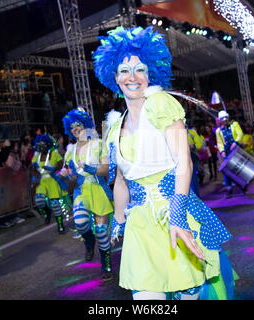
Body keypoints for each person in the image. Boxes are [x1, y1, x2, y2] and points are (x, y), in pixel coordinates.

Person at [94, 26, 236, 300]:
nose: (132, 77)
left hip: (174, 210)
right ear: (113, 76)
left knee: (188, 292)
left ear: (151, 73)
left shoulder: (160, 103)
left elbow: (185, 163)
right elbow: (121, 182)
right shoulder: (113, 127)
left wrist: (179, 214)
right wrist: (119, 222)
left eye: (140, 69)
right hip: (140, 225)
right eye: (124, 70)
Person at [62, 108, 115, 280]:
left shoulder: (98, 144)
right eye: (71, 127)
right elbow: (72, 176)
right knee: (80, 223)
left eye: (77, 125)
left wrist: (91, 168)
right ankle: (89, 241)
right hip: (81, 190)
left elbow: (106, 169)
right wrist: (67, 175)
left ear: (85, 125)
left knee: (101, 231)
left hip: (98, 189)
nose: (75, 129)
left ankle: (106, 267)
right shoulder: (70, 150)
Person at [31, 134, 71, 233]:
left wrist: (55, 168)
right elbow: (33, 169)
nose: (41, 146)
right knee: (39, 200)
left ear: (47, 144)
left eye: (43, 144)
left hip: (53, 180)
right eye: (39, 144)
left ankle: (60, 225)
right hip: (42, 181)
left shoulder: (54, 154)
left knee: (55, 204)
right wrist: (33, 177)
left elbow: (62, 164)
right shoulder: (37, 156)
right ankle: (47, 212)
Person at [215, 110, 244, 197]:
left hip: (236, 149)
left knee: (238, 169)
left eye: (226, 117)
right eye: (222, 118)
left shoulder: (234, 124)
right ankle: (229, 189)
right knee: (227, 171)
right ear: (220, 120)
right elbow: (219, 143)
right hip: (227, 151)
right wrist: (222, 151)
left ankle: (242, 186)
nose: (224, 119)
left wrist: (235, 142)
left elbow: (240, 134)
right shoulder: (218, 131)